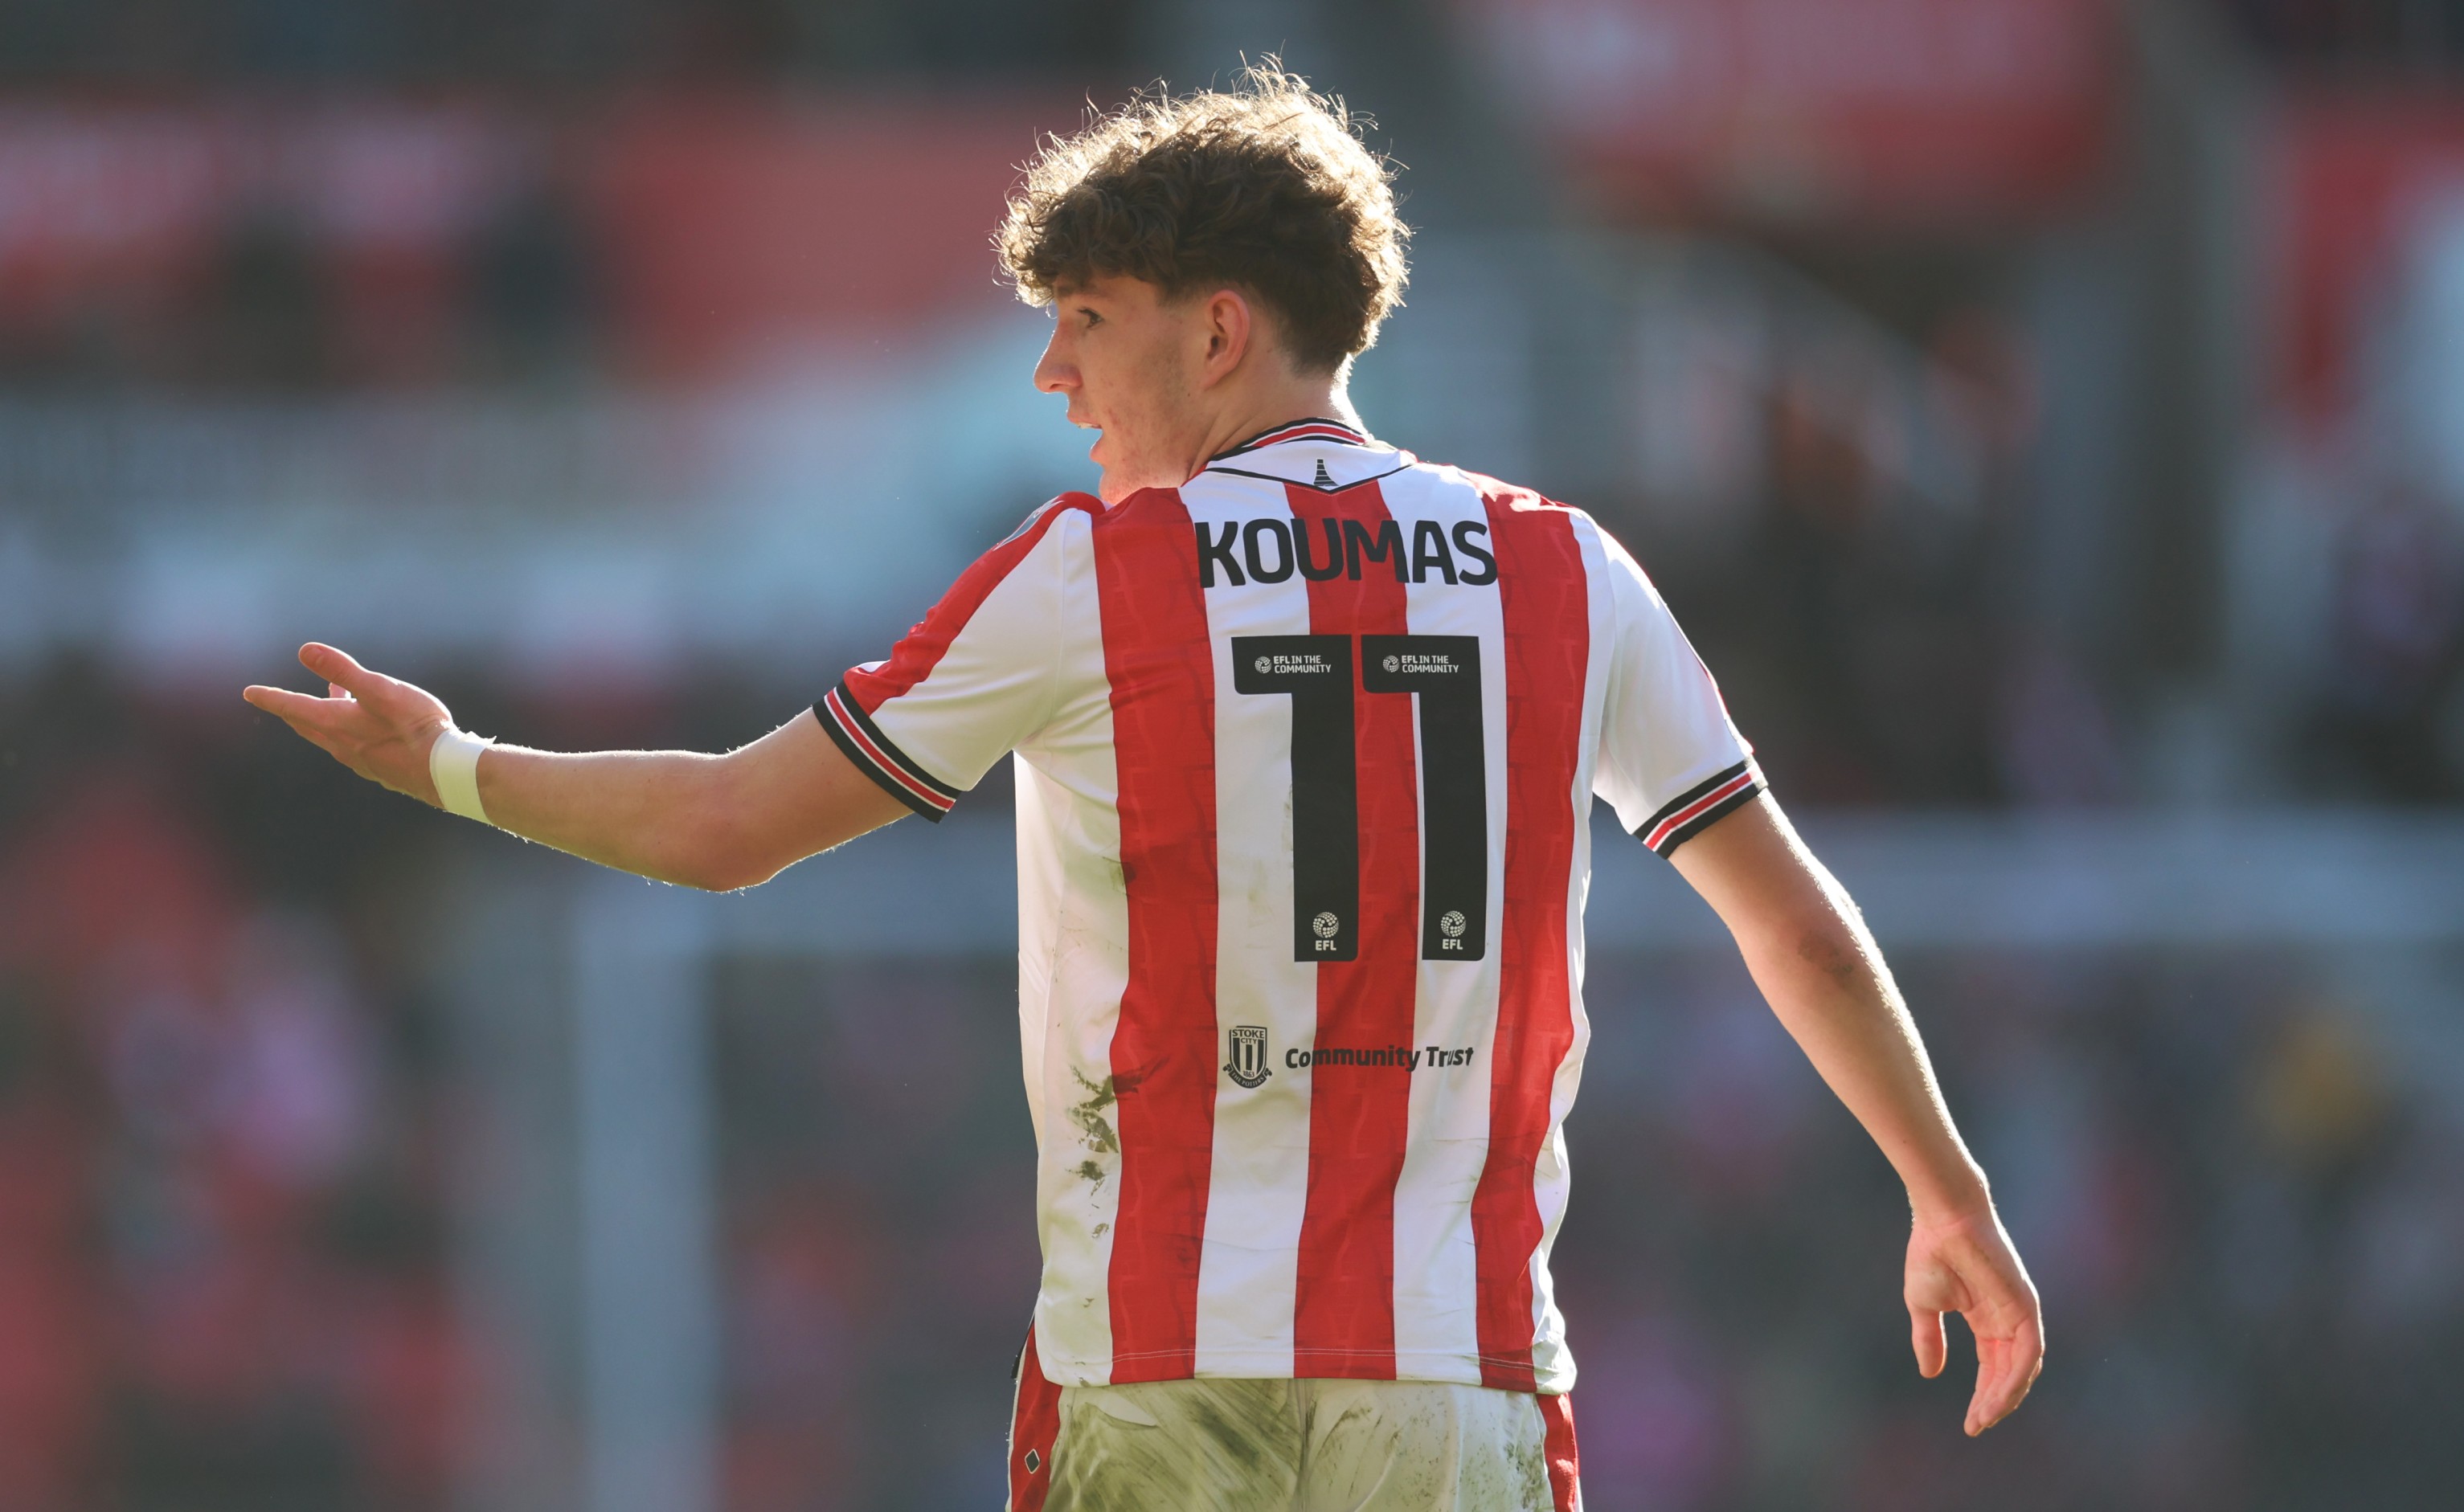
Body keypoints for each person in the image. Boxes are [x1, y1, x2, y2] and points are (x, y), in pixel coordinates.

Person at [244, 66, 2041, 1512]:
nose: (1055, 372)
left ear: (1219, 329)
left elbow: (730, 826)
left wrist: (459, 767)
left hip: (1162, 1383)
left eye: (1087, 317)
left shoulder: (1100, 571)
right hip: (1459, 1389)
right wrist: (1947, 1191)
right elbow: (1795, 921)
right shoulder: (1569, 572)